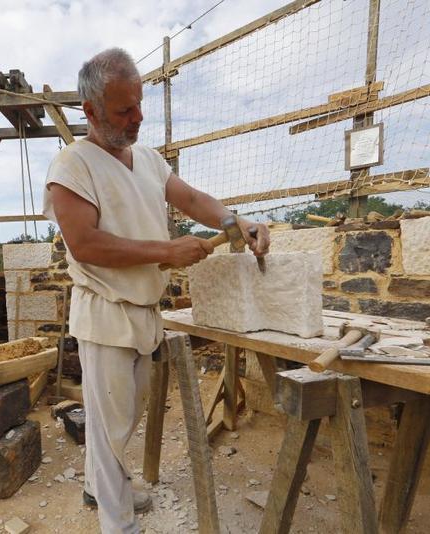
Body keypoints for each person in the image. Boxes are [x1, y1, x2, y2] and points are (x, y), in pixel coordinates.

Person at [43, 48, 270, 534]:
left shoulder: (146, 158)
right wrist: (165, 252)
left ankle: (95, 488)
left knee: (121, 422)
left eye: (139, 105)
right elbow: (84, 245)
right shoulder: (72, 165)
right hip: (105, 313)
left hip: (143, 311)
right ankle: (117, 524)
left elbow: (189, 199)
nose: (138, 117)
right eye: (125, 110)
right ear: (91, 111)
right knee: (107, 432)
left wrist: (236, 221)